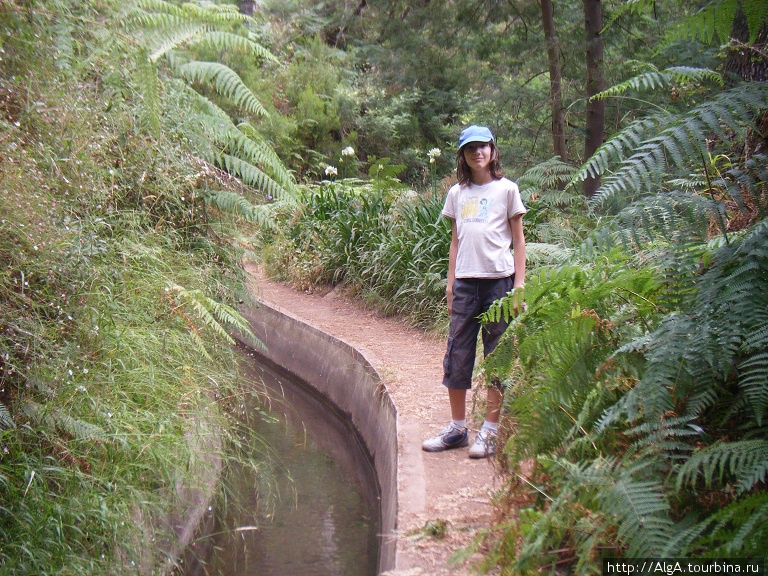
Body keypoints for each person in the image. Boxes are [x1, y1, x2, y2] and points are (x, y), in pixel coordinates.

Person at [422, 125, 526, 459]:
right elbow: (454, 242)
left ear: (493, 151)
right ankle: (457, 429)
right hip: (466, 283)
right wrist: (451, 283)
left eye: (483, 147)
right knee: (458, 354)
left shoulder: (507, 190)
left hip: (499, 282)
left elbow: (519, 240)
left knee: (497, 356)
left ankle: (491, 430)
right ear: (463, 157)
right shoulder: (458, 193)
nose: (477, 153)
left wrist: (519, 286)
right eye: (470, 149)